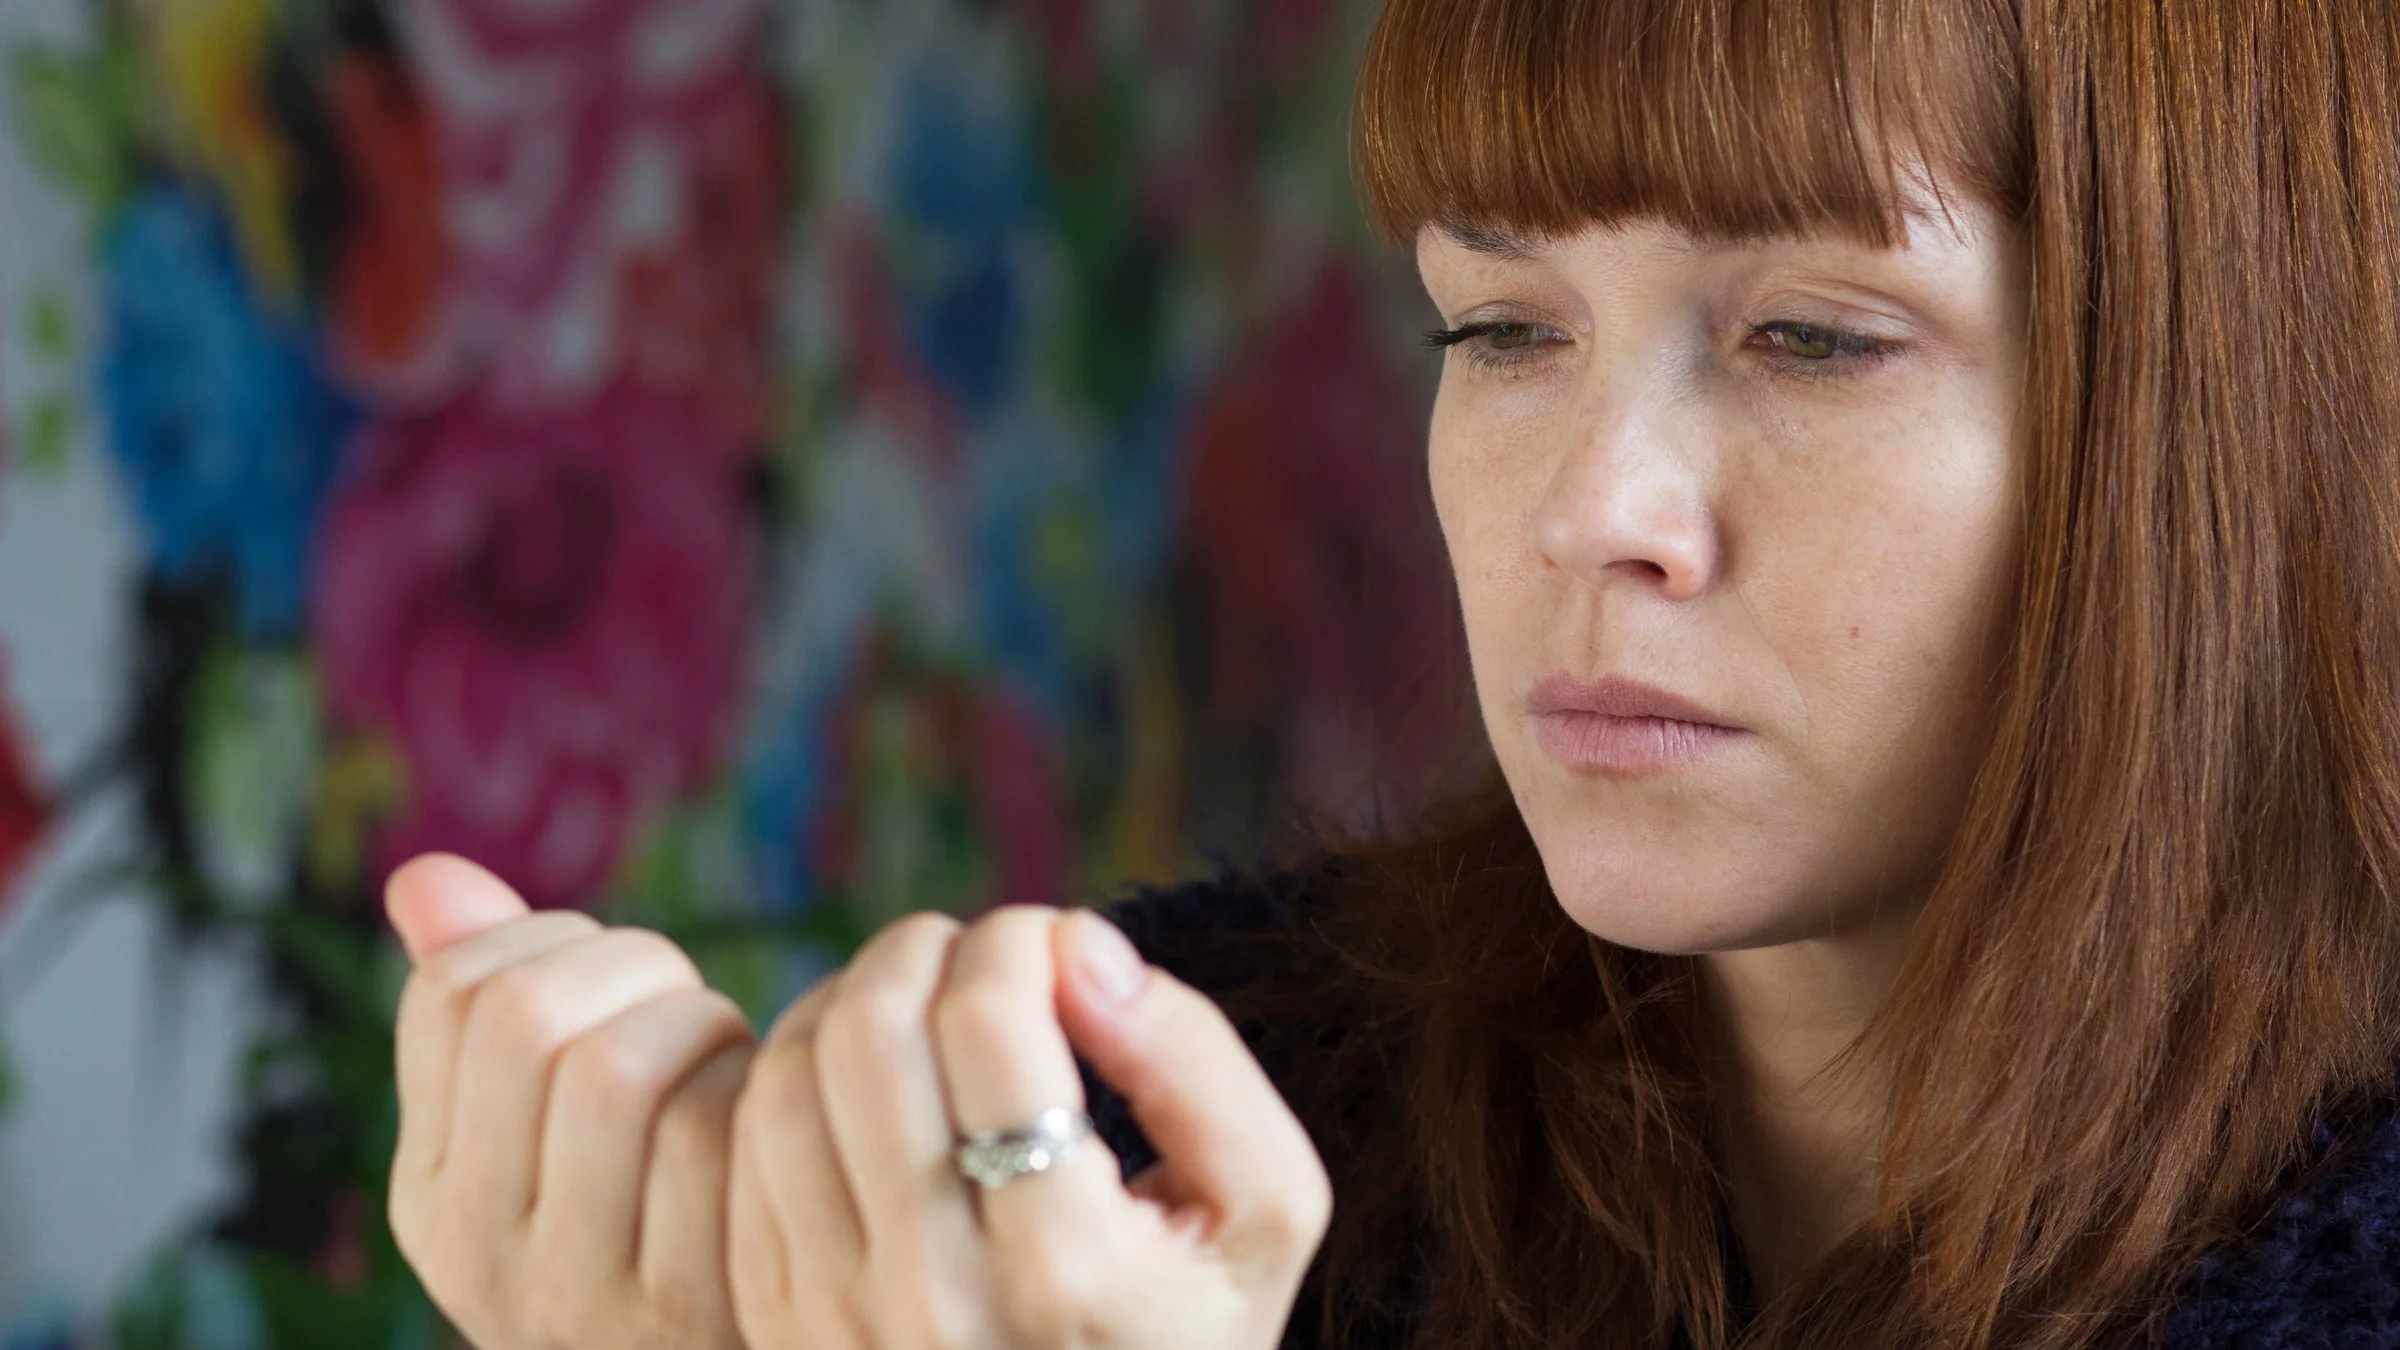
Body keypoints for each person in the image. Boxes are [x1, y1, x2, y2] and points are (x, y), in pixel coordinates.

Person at [380, 0, 2400, 1346]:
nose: (1592, 511)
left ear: (2222, 416)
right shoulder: (1145, 1124)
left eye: (1814, 339)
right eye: (1503, 331)